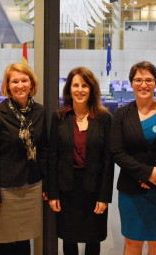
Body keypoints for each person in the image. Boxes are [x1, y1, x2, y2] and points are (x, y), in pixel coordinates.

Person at [111, 61, 156, 255]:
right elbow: (118, 152)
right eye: (138, 80)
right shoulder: (121, 115)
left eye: (148, 80)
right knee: (133, 243)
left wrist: (155, 174)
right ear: (131, 83)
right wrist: (145, 174)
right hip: (132, 189)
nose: (143, 85)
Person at [0, 63, 47, 255]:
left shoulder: (40, 112)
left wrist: (47, 185)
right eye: (15, 81)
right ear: (8, 86)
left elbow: (43, 151)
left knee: (25, 239)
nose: (20, 85)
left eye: (24, 80)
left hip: (32, 186)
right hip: (5, 188)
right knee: (5, 239)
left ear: (31, 84)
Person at [48, 67, 114, 255]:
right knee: (69, 238)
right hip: (67, 189)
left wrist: (104, 197)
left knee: (93, 239)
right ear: (69, 89)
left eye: (84, 85)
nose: (80, 90)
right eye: (75, 85)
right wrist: (53, 193)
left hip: (94, 189)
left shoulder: (104, 118)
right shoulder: (59, 117)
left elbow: (108, 161)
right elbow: (52, 157)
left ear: (92, 89)